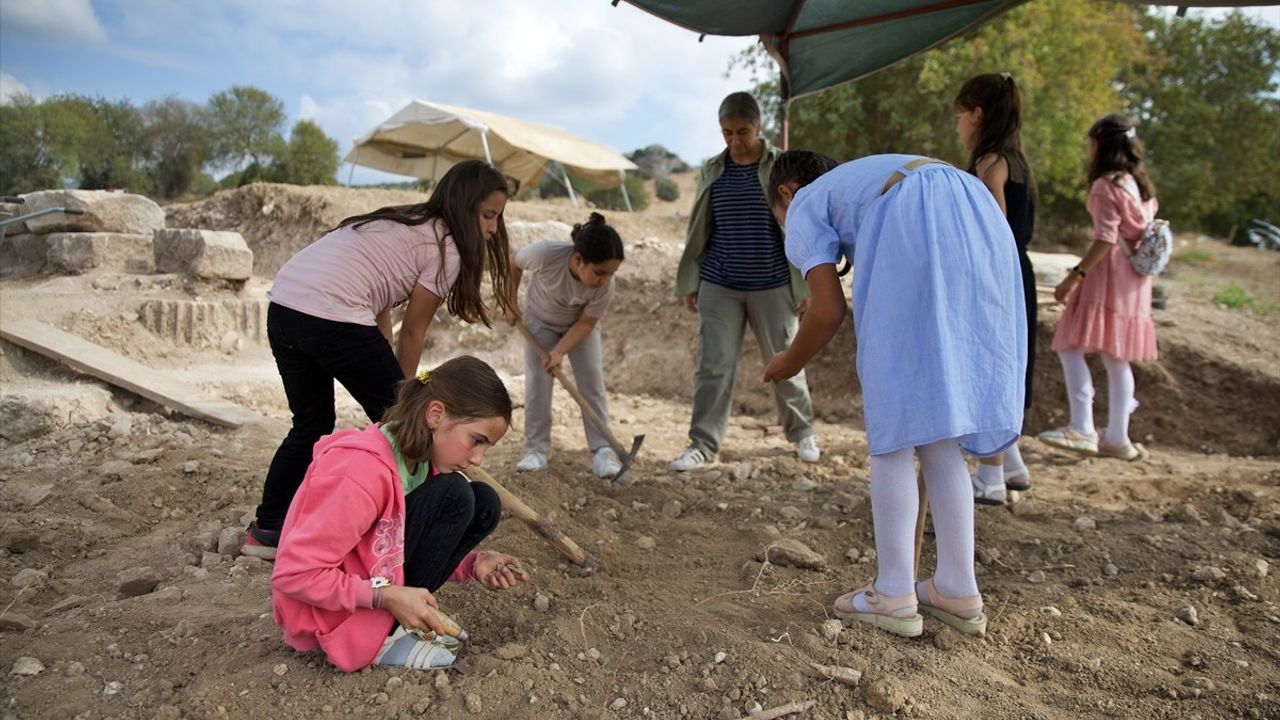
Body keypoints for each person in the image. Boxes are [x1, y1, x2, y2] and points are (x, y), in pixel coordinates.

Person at [762, 151, 1025, 638]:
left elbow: (827, 311)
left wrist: (790, 360)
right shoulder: (858, 182)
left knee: (895, 426)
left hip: (916, 215)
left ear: (785, 194)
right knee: (937, 424)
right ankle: (957, 587)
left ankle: (894, 592)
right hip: (976, 212)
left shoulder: (802, 204)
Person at [243, 160, 517, 560]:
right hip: (333, 315)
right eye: (488, 216)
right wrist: (407, 400)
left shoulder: (400, 222)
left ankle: (267, 529)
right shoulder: (445, 247)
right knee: (407, 430)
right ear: (463, 205)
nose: (492, 229)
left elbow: (379, 299)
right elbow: (413, 331)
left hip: (286, 308)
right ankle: (398, 530)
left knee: (310, 424)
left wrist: (389, 379)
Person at [271, 356, 530, 672]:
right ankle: (379, 635)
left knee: (484, 501)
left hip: (371, 583)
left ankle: (392, 622)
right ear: (435, 414)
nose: (478, 459)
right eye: (476, 441)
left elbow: (390, 542)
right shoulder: (359, 472)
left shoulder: (419, 463)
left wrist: (472, 563)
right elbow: (293, 575)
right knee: (456, 496)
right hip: (324, 615)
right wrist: (384, 596)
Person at [671, 91, 819, 472]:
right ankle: (702, 445)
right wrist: (692, 281)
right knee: (712, 366)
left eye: (743, 132)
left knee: (787, 359)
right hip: (720, 282)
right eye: (727, 133)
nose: (735, 141)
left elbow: (798, 224)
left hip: (772, 282)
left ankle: (802, 433)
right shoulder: (713, 168)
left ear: (759, 127)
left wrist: (803, 284)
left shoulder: (779, 166)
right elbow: (700, 226)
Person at [1038, 114, 1158, 461]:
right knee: (1116, 355)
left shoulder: (1105, 186)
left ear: (1100, 145)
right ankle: (1118, 435)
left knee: (1068, 344)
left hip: (1108, 274)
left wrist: (1074, 275)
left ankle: (1082, 427)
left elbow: (1105, 238)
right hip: (1135, 279)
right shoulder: (1140, 185)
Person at [954, 72, 1038, 506]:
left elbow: (991, 231)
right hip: (1018, 273)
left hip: (997, 278)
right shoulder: (1017, 159)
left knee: (992, 363)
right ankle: (1013, 462)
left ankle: (990, 475)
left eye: (960, 115)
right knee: (1011, 359)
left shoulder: (989, 163)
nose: (958, 126)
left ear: (978, 114)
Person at [504, 212, 626, 478]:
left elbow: (585, 323)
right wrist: (510, 301)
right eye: (600, 272)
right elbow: (513, 262)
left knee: (591, 382)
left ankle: (603, 450)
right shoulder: (546, 254)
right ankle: (535, 449)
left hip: (579, 327)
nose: (605, 279)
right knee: (538, 381)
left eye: (611, 273)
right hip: (540, 323)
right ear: (578, 259)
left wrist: (559, 352)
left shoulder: (605, 286)